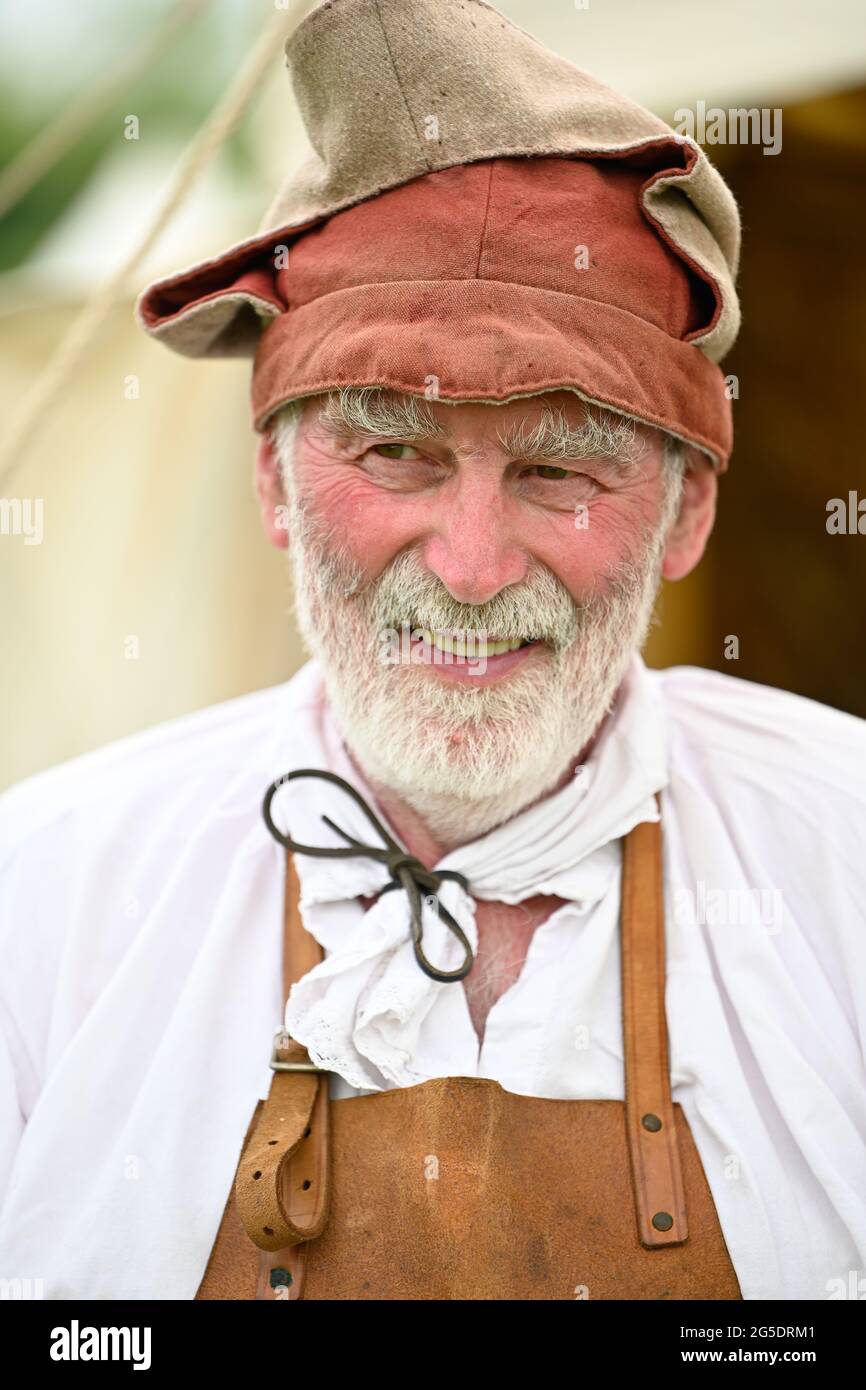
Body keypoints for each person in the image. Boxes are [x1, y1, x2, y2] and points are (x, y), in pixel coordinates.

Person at [1, 0, 864, 1301]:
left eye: (558, 466)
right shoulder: (49, 898)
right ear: (277, 489)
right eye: (393, 452)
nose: (468, 566)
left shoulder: (839, 854)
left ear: (685, 509)